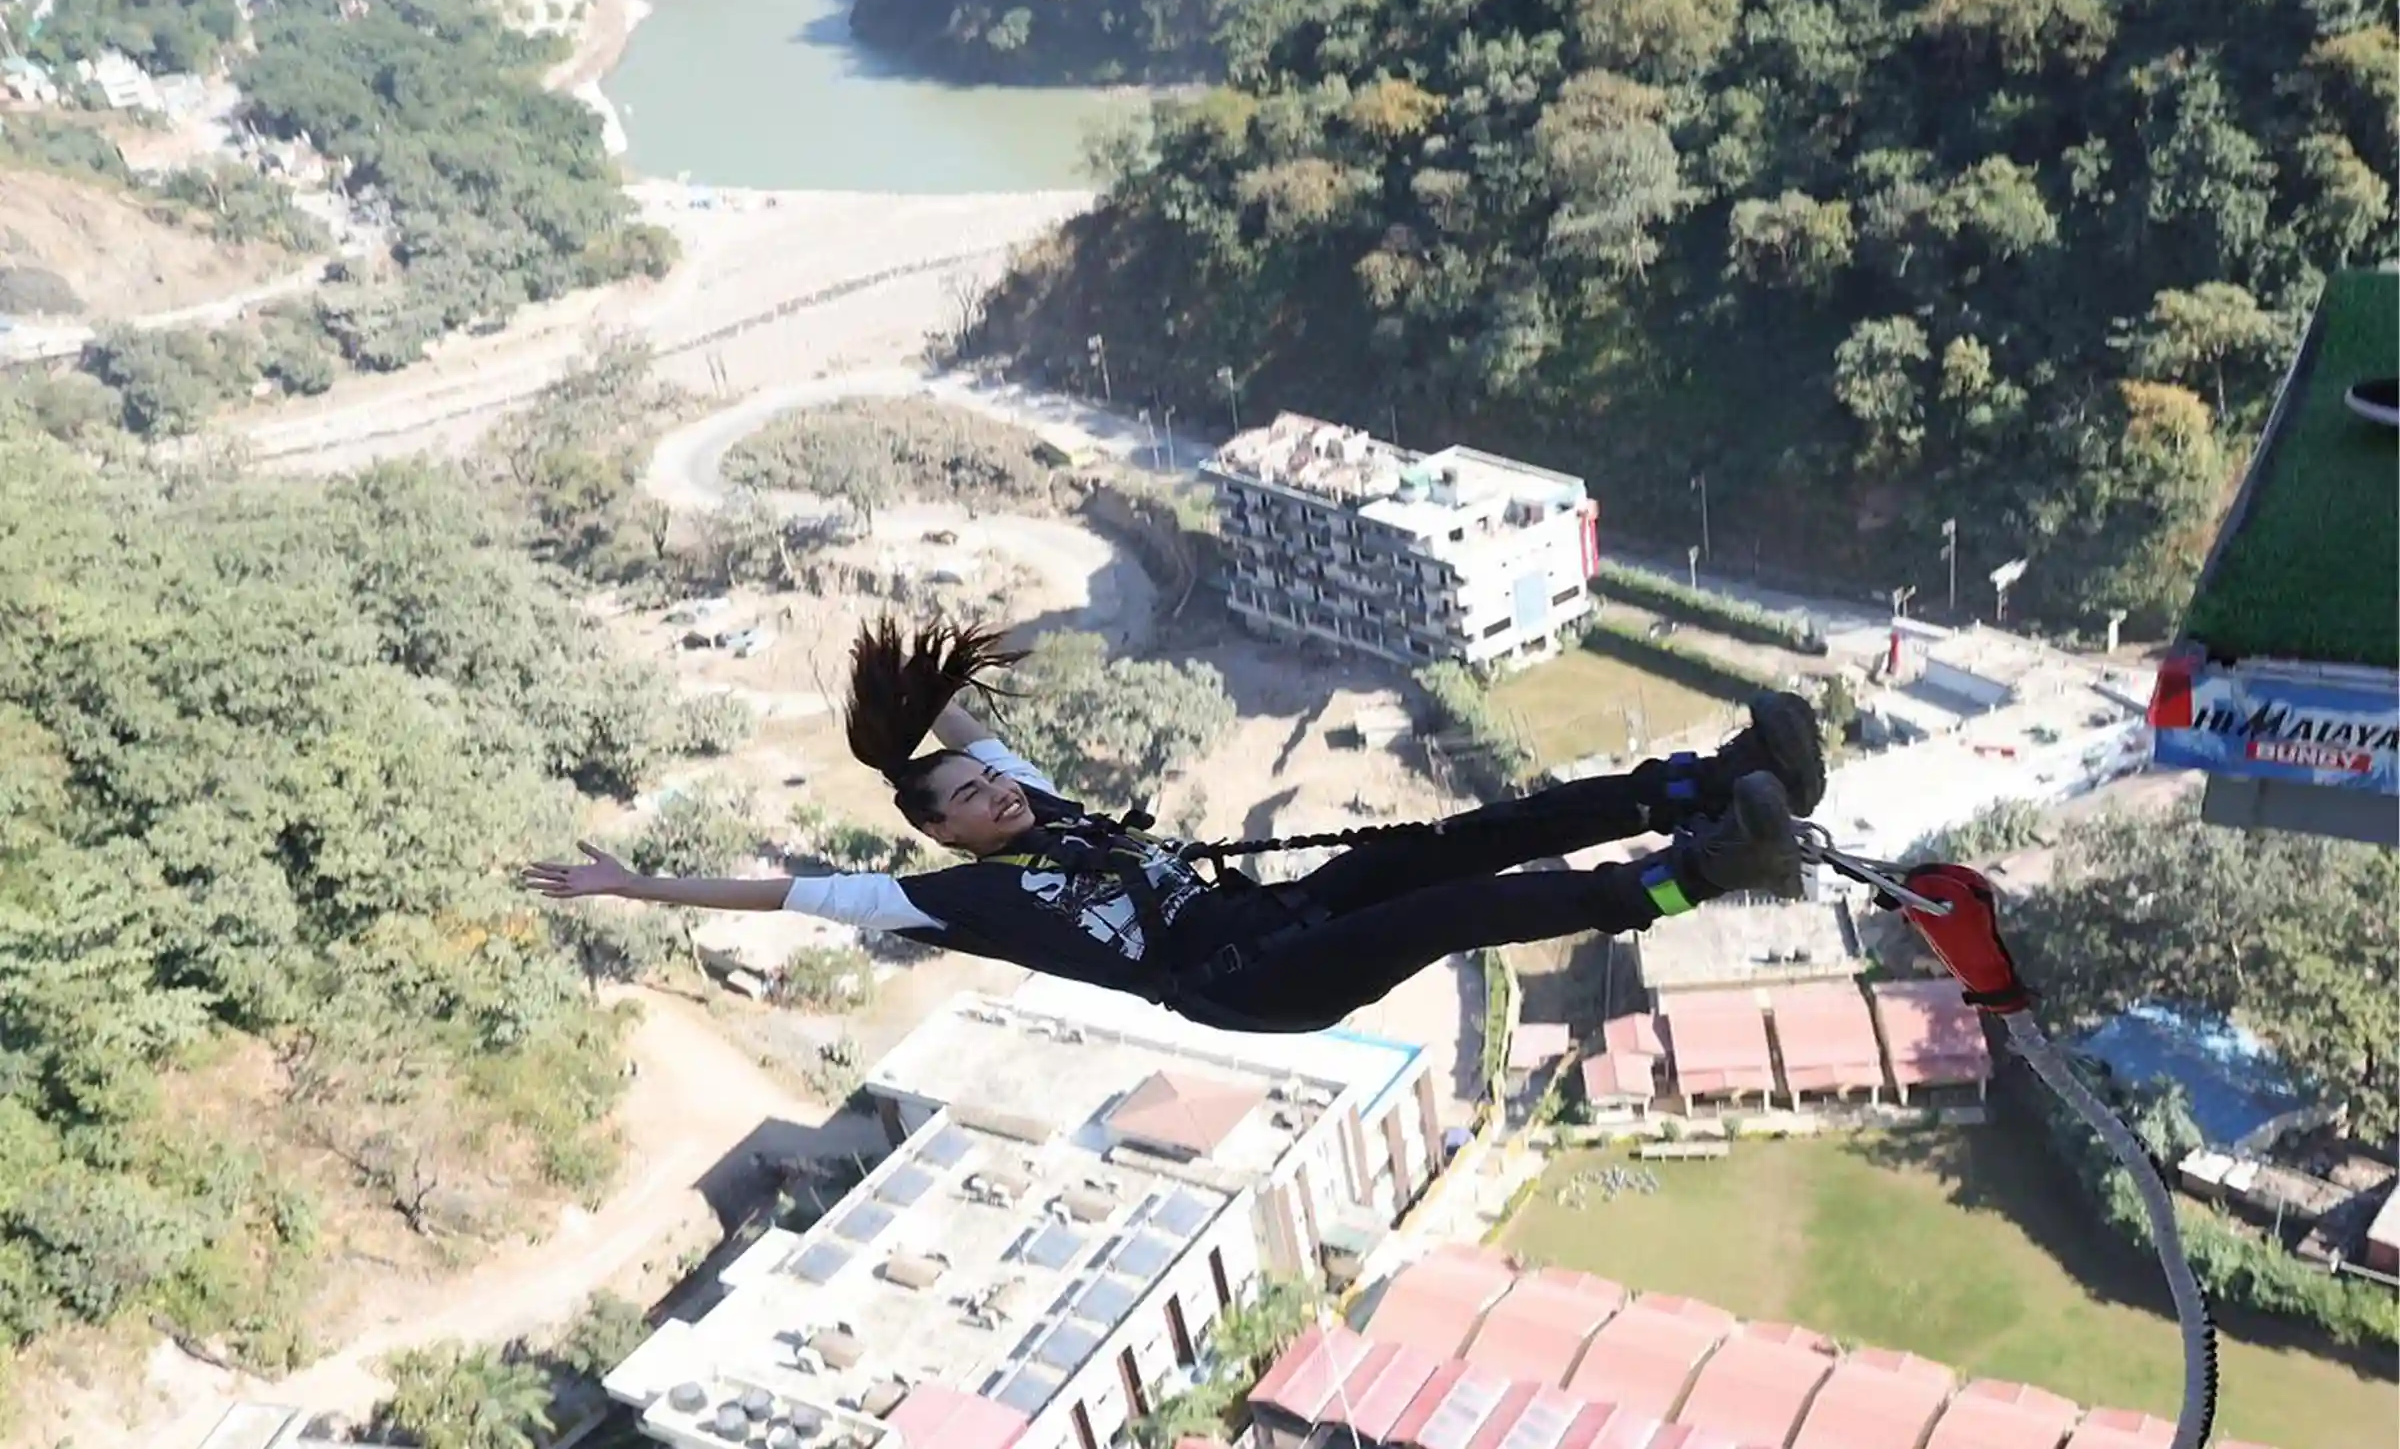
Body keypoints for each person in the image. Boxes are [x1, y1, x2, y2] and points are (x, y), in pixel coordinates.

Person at [524, 618, 1828, 1034]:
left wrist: (914, 722)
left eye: (984, 787)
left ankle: (1708, 783)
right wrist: (634, 887)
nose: (990, 797)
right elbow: (787, 896)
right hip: (1239, 983)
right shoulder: (949, 899)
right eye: (967, 807)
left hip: (1263, 917)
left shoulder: (1043, 802)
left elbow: (966, 727)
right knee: (1459, 910)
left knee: (1458, 840)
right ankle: (1697, 875)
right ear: (950, 845)